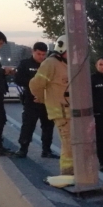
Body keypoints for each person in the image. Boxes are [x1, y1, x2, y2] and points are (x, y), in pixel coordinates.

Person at [29, 35, 72, 175]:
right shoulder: (51, 63)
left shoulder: (68, 63)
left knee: (74, 143)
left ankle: (75, 172)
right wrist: (41, 98)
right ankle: (67, 173)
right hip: (60, 112)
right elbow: (35, 84)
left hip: (71, 111)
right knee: (68, 143)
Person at [14, 42, 59, 159]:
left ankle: (46, 150)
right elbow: (18, 79)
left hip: (46, 100)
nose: (41, 57)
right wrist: (34, 83)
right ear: (33, 51)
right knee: (28, 125)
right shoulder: (25, 64)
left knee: (48, 126)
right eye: (39, 54)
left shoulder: (48, 64)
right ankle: (23, 149)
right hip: (31, 100)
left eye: (44, 54)